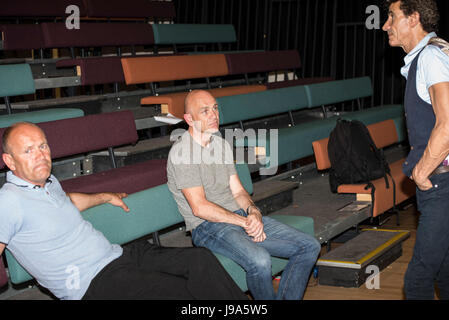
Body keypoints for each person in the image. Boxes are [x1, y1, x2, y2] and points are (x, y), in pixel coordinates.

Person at [0, 122, 247, 300]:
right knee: (181, 292)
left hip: (117, 255)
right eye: (28, 150)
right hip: (92, 283)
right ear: (10, 161)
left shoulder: (48, 182)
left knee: (199, 260)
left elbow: (68, 201)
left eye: (43, 146)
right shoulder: (9, 201)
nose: (41, 155)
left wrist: (105, 196)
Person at [166, 90, 321, 300]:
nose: (214, 115)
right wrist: (244, 222)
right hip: (207, 227)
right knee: (260, 260)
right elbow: (199, 207)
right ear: (189, 119)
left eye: (215, 109)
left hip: (238, 217)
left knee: (309, 246)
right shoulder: (183, 152)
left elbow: (238, 190)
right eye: (205, 111)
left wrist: (253, 212)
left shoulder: (220, 144)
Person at [383, 0, 449, 299]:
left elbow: (447, 124)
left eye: (392, 17)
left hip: (441, 181)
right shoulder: (432, 55)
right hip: (441, 180)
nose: (385, 25)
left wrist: (422, 171)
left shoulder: (431, 57)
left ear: (413, 18)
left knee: (417, 282)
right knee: (444, 273)